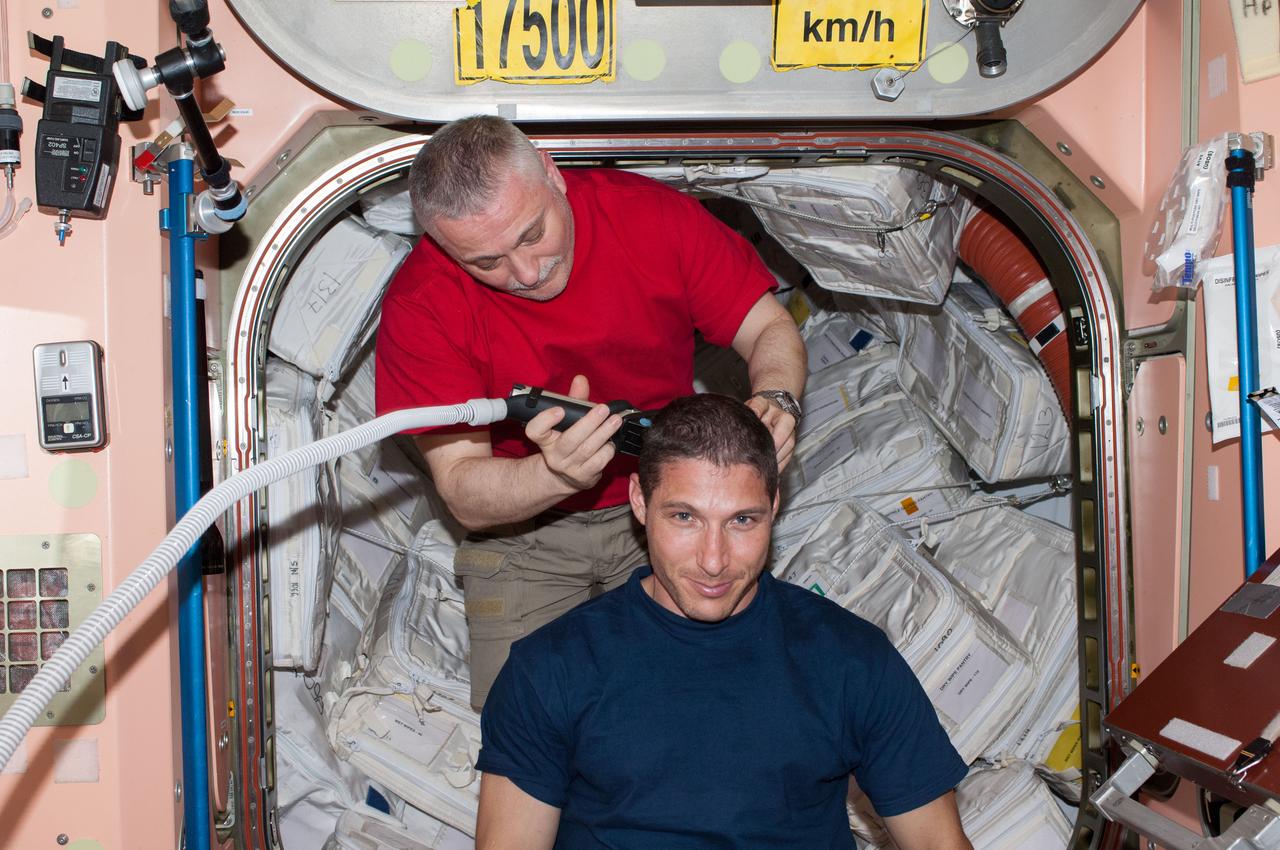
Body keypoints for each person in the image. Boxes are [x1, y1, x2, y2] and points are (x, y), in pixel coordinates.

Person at [375, 115, 807, 710]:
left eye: (532, 235)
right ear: (441, 246)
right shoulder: (420, 303)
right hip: (522, 534)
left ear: (554, 176)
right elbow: (463, 489)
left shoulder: (650, 217)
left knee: (720, 699)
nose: (525, 275)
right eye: (486, 263)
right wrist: (552, 475)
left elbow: (768, 327)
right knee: (524, 725)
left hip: (664, 501)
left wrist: (778, 396)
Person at [473, 394, 972, 850]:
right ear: (640, 503)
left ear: (774, 508)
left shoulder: (850, 659)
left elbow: (939, 844)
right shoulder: (550, 668)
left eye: (742, 521)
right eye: (685, 518)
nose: (714, 560)